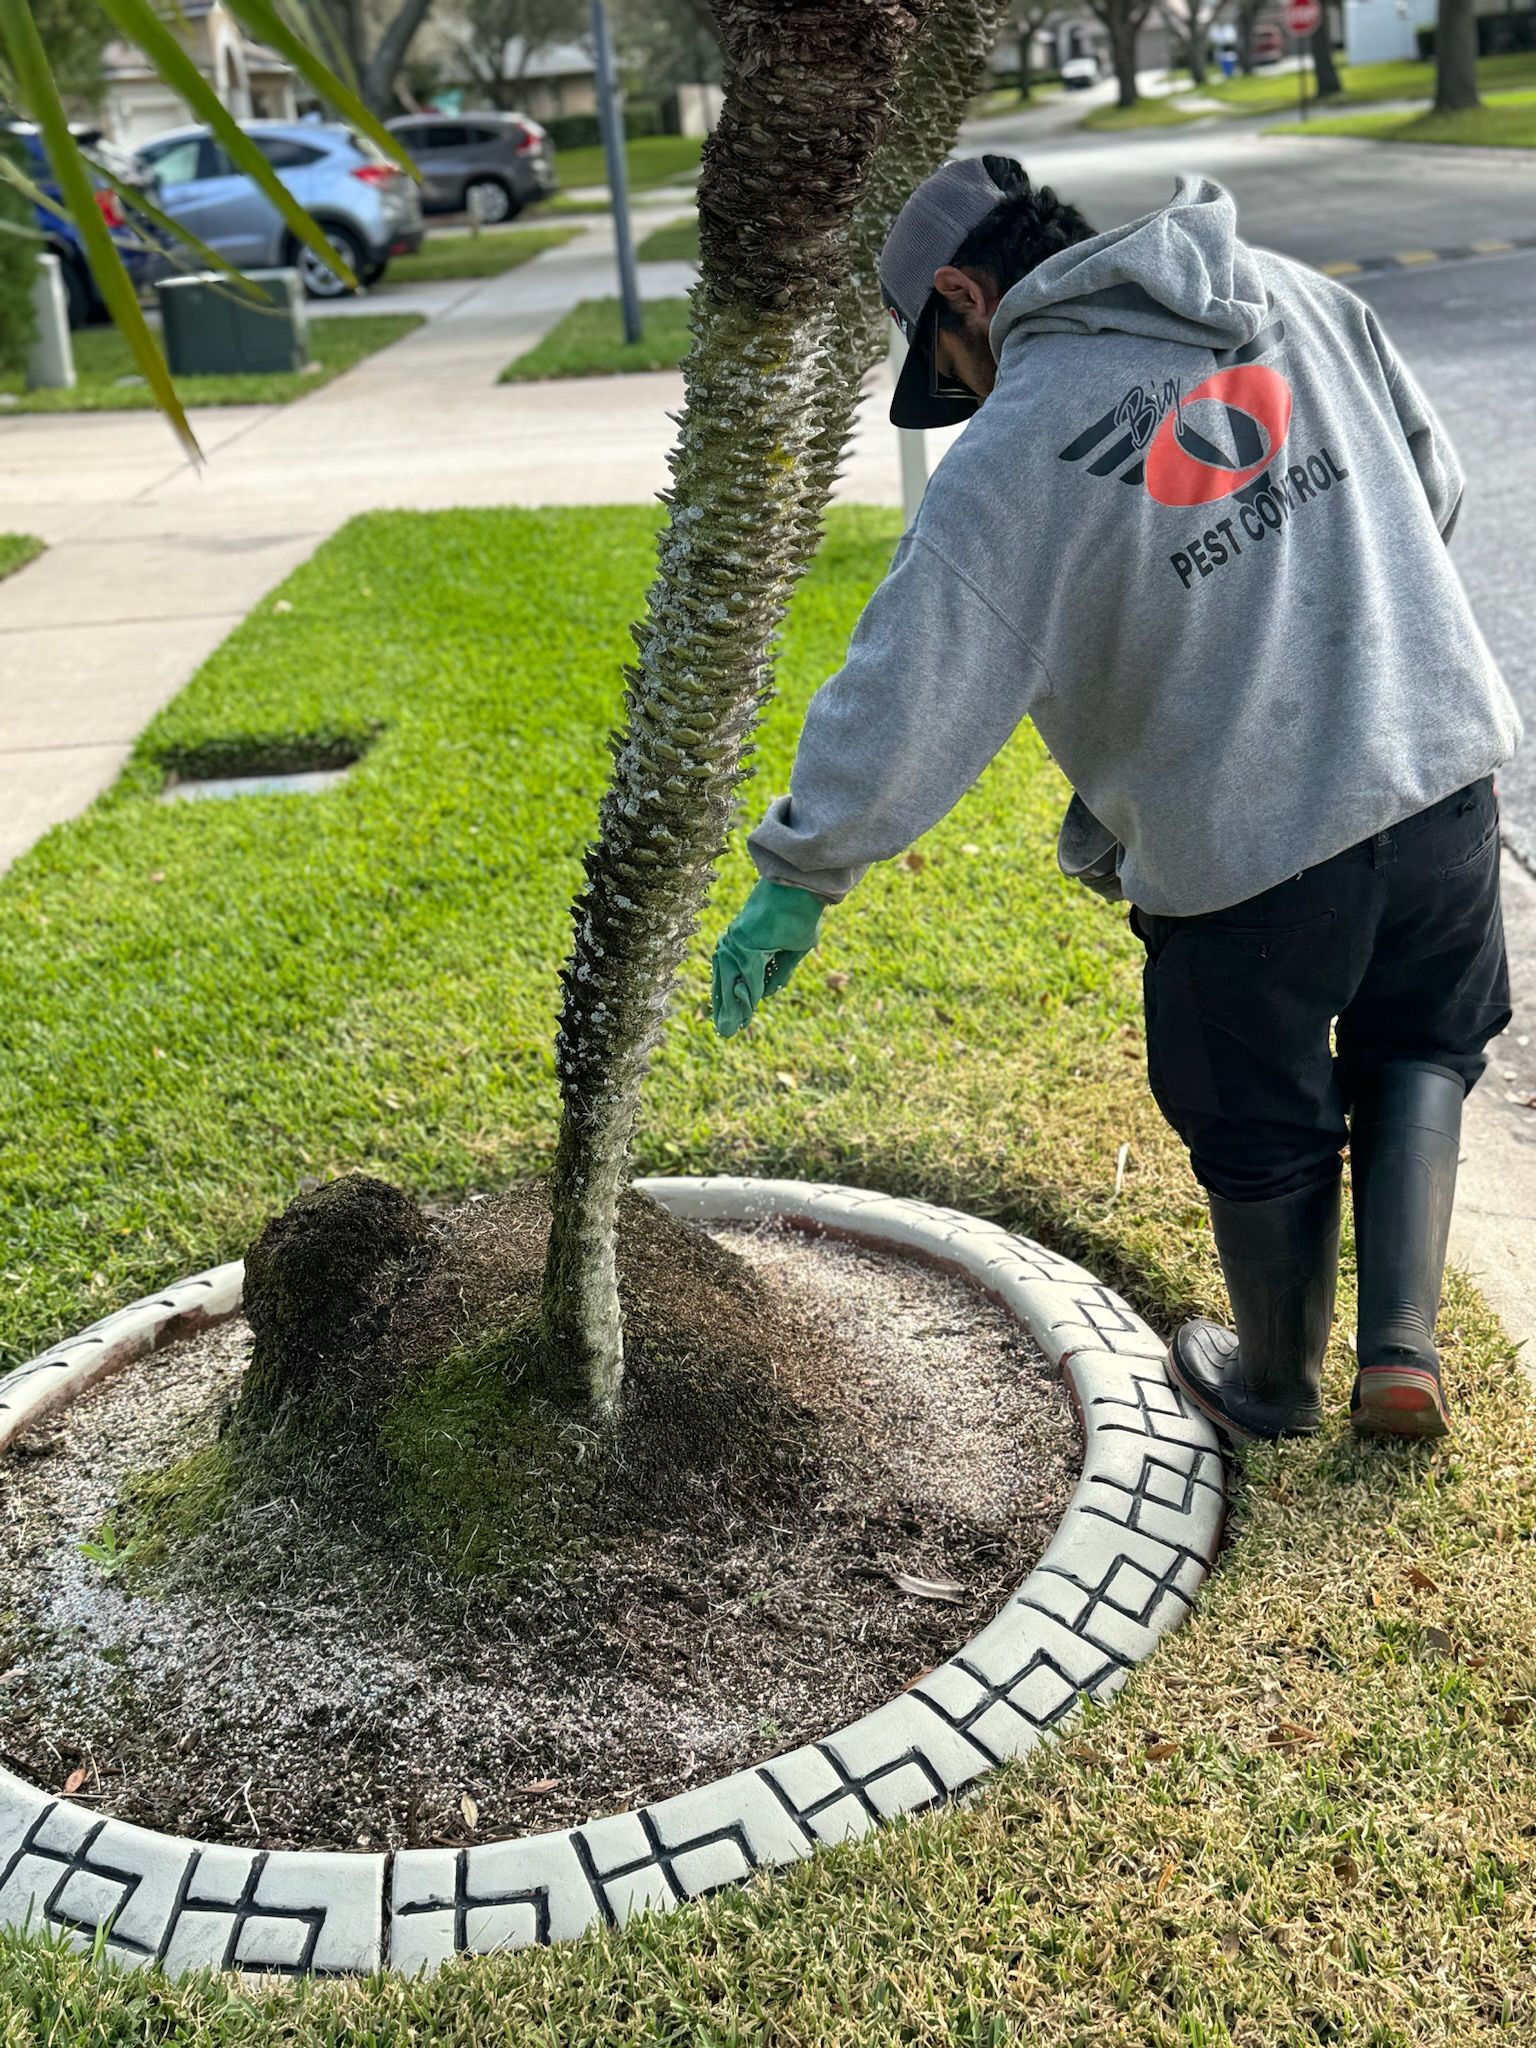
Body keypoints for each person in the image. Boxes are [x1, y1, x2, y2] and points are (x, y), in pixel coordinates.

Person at [710, 156, 1521, 1447]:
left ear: (966, 300)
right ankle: (1401, 1354)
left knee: (1257, 1115)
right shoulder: (1294, 296)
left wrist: (799, 874)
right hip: (1437, 786)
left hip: (1248, 864)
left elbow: (911, 678)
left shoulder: (1020, 441)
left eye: (947, 365)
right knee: (1423, 1039)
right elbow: (1434, 482)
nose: (962, 396)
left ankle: (1272, 1379)